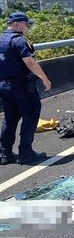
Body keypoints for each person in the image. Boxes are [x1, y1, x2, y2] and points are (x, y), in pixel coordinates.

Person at [0, 12, 52, 165]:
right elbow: (30, 62)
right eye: (26, 24)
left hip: (4, 85)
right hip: (22, 87)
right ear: (17, 24)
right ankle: (26, 153)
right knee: (30, 116)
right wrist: (45, 78)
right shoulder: (19, 41)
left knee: (9, 119)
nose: (27, 28)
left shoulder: (2, 39)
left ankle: (5, 154)